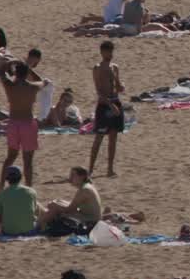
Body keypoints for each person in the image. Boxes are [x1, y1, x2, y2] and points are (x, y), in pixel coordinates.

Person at [0, 59, 46, 189]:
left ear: (15, 73)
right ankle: (29, 187)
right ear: (26, 73)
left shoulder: (9, 86)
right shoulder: (33, 87)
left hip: (13, 123)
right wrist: (30, 69)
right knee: (28, 161)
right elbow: (42, 81)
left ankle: (1, 186)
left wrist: (10, 63)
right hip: (27, 123)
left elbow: (0, 72)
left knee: (10, 158)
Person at [89, 41, 125, 177]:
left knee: (113, 137)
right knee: (99, 138)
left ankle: (110, 169)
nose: (110, 54)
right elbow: (99, 90)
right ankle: (90, 169)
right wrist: (110, 105)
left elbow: (118, 87)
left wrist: (120, 86)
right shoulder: (97, 68)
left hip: (115, 101)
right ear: (102, 52)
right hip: (105, 105)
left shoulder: (115, 67)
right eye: (107, 52)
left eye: (111, 52)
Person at [37, 167, 101, 236]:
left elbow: (69, 209)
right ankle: (42, 222)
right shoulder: (86, 186)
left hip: (90, 220)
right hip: (88, 215)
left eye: (73, 175)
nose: (70, 178)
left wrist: (55, 206)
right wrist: (56, 203)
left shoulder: (84, 190)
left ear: (82, 177)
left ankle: (39, 226)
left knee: (54, 208)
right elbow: (73, 206)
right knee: (58, 201)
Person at [0, 165, 39, 236]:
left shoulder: (2, 194)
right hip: (29, 230)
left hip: (9, 231)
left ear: (7, 179)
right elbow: (35, 211)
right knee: (38, 205)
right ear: (20, 177)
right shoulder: (31, 191)